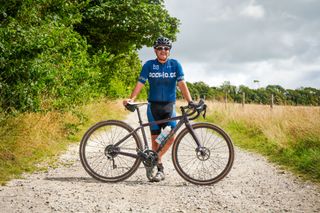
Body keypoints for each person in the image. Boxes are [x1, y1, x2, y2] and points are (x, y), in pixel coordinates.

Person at [123, 37, 193, 182]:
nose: (163, 51)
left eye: (166, 48)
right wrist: (132, 98)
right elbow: (140, 82)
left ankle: (153, 160)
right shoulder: (149, 65)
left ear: (169, 51)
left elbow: (182, 84)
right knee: (155, 142)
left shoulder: (175, 65)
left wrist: (190, 101)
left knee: (170, 137)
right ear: (155, 50)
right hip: (153, 107)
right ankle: (159, 169)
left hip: (169, 107)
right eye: (160, 48)